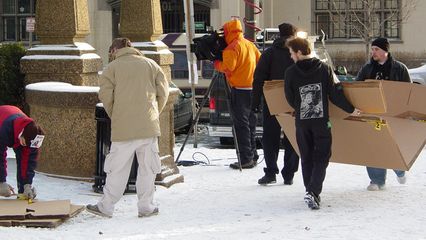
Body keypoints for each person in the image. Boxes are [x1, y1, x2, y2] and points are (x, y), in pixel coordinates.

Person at [86, 38, 169, 218]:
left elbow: (106, 96)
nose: (111, 55)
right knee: (148, 169)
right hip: (148, 127)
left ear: (115, 49)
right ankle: (146, 207)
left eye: (111, 52)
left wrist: (116, 115)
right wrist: (153, 113)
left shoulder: (112, 69)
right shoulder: (151, 65)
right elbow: (163, 93)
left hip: (123, 128)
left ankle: (106, 207)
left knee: (117, 169)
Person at [284, 38, 360, 210]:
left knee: (306, 156)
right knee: (322, 156)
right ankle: (313, 191)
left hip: (302, 122)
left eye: (291, 53)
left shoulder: (290, 72)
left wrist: (299, 107)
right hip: (321, 122)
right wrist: (350, 109)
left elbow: (289, 97)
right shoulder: (324, 69)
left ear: (299, 52)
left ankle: (309, 190)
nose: (291, 57)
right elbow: (335, 94)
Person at [356, 37, 412, 191]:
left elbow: (408, 92)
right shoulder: (367, 68)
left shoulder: (399, 68)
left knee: (391, 145)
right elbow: (357, 87)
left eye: (376, 49)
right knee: (373, 145)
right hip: (372, 113)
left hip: (392, 114)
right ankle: (377, 180)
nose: (373, 52)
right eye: (372, 49)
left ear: (385, 51)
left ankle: (399, 170)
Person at [252, 23, 299, 185]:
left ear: (279, 35)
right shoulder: (299, 52)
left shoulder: (269, 53)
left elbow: (258, 78)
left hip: (272, 100)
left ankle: (271, 172)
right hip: (294, 101)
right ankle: (289, 174)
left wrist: (255, 101)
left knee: (270, 137)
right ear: (293, 35)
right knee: (292, 137)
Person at [214, 19, 261, 169]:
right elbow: (260, 62)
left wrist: (216, 63)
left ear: (228, 32)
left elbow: (228, 67)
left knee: (241, 125)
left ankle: (245, 158)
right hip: (253, 89)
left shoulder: (232, 48)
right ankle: (253, 155)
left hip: (239, 90)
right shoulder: (250, 44)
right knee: (251, 123)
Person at [0, 105, 44, 200]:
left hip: (13, 122)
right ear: (21, 136)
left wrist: (26, 185)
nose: (25, 147)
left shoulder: (33, 133)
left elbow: (29, 159)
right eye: (24, 143)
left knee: (24, 154)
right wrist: (1, 181)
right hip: (3, 121)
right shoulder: (4, 129)